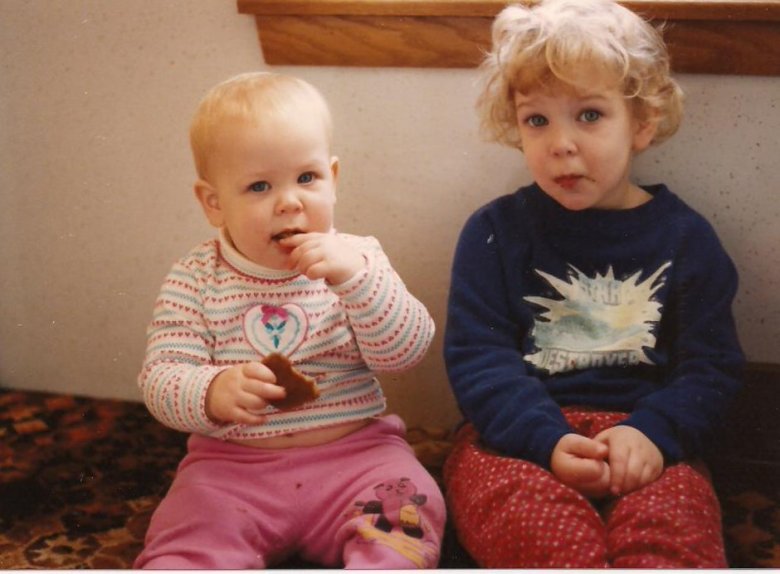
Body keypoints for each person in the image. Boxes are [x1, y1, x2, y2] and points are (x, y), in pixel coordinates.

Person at [442, 0, 744, 567]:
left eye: (589, 115)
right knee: (537, 533)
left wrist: (653, 433)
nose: (561, 143)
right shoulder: (495, 232)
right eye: (538, 120)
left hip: (650, 439)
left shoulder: (687, 239)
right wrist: (544, 439)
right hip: (518, 439)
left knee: (672, 537)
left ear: (643, 123)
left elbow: (712, 366)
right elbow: (477, 358)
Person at [134, 72, 445, 569]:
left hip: (357, 457)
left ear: (334, 177)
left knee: (408, 509)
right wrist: (211, 391)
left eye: (307, 178)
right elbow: (162, 377)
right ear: (214, 203)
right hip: (232, 471)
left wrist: (357, 282)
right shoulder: (195, 277)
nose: (289, 201)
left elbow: (407, 351)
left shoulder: (359, 259)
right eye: (259, 186)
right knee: (189, 530)